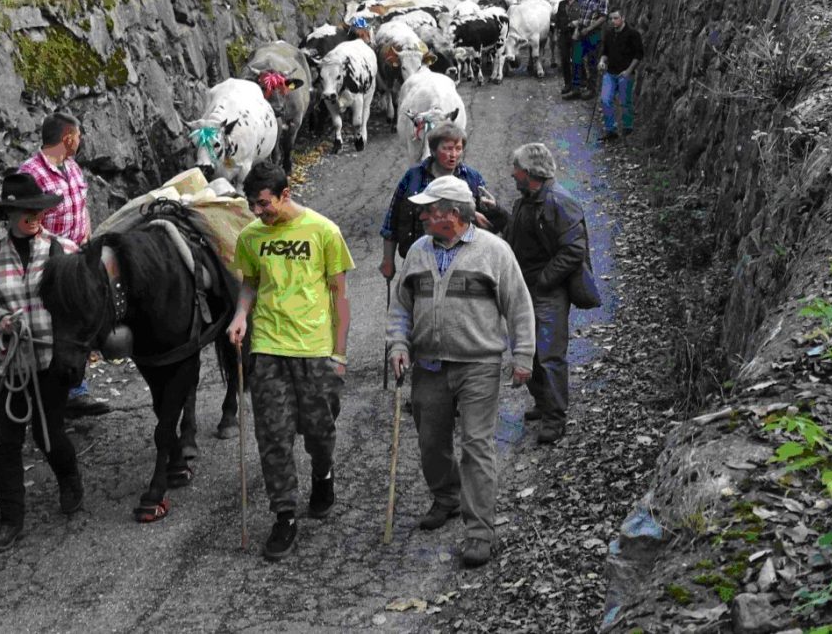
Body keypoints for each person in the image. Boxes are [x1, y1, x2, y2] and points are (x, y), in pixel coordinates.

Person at [386, 176, 535, 569]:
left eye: (428, 210)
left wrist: (523, 356)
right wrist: (398, 345)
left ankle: (479, 532)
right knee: (431, 442)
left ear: (452, 214)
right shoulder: (418, 251)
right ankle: (447, 496)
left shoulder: (494, 252)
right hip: (428, 365)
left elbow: (518, 305)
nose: (420, 216)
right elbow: (402, 305)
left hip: (478, 366)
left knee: (476, 445)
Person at [228, 161, 353, 562]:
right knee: (273, 436)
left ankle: (323, 473)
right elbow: (250, 282)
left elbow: (340, 295)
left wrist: (340, 354)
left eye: (264, 204)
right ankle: (284, 514)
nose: (258, 212)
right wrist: (241, 315)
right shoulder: (250, 236)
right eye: (252, 205)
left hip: (315, 349)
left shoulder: (324, 231)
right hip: (268, 348)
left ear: (285, 194)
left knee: (319, 429)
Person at [0, 172, 83, 555]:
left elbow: (80, 302)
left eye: (38, 210)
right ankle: (10, 521)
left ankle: (69, 478)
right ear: (10, 214)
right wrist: (0, 321)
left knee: (48, 434)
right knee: (6, 443)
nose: (34, 217)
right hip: (7, 365)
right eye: (25, 211)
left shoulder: (63, 250)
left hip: (49, 360)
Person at [18, 112, 108, 418]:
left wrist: (88, 243)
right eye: (79, 136)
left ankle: (76, 390)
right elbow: (27, 223)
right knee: (53, 329)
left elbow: (82, 209)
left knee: (78, 326)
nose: (80, 141)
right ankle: (49, 396)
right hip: (47, 264)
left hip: (77, 260)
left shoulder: (72, 168)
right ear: (68, 138)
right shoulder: (31, 174)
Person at [502, 144, 589, 445]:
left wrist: (543, 281)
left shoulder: (559, 202)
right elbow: (518, 235)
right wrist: (495, 214)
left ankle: (555, 418)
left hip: (546, 292)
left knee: (549, 354)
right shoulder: (529, 199)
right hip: (526, 290)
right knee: (529, 350)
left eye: (517, 169)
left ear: (530, 174)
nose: (513, 174)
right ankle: (543, 402)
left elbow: (574, 250)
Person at [380, 121, 500, 279]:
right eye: (447, 148)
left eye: (458, 149)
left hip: (462, 263)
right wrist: (388, 260)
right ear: (433, 150)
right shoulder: (413, 177)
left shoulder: (472, 178)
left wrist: (491, 210)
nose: (454, 155)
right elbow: (391, 221)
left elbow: (490, 227)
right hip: (418, 260)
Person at [597, 11, 644, 142]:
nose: (613, 21)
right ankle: (610, 130)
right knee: (605, 99)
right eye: (611, 18)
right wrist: (602, 62)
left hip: (625, 74)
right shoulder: (609, 34)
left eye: (616, 18)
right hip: (610, 73)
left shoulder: (633, 34)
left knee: (625, 102)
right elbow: (605, 52)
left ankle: (627, 128)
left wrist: (629, 71)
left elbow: (639, 55)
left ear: (623, 18)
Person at [569, 0, 609, 100]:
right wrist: (577, 29)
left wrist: (589, 29)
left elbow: (603, 17)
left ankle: (592, 89)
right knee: (576, 59)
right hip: (583, 31)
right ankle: (576, 88)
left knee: (592, 61)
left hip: (593, 33)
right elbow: (582, 16)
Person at [555, 0, 584, 95]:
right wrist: (557, 33)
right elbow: (557, 19)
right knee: (565, 60)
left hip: (576, 34)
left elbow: (584, 18)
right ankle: (568, 84)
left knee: (576, 59)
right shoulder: (562, 4)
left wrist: (577, 23)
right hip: (564, 35)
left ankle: (577, 84)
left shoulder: (581, 3)